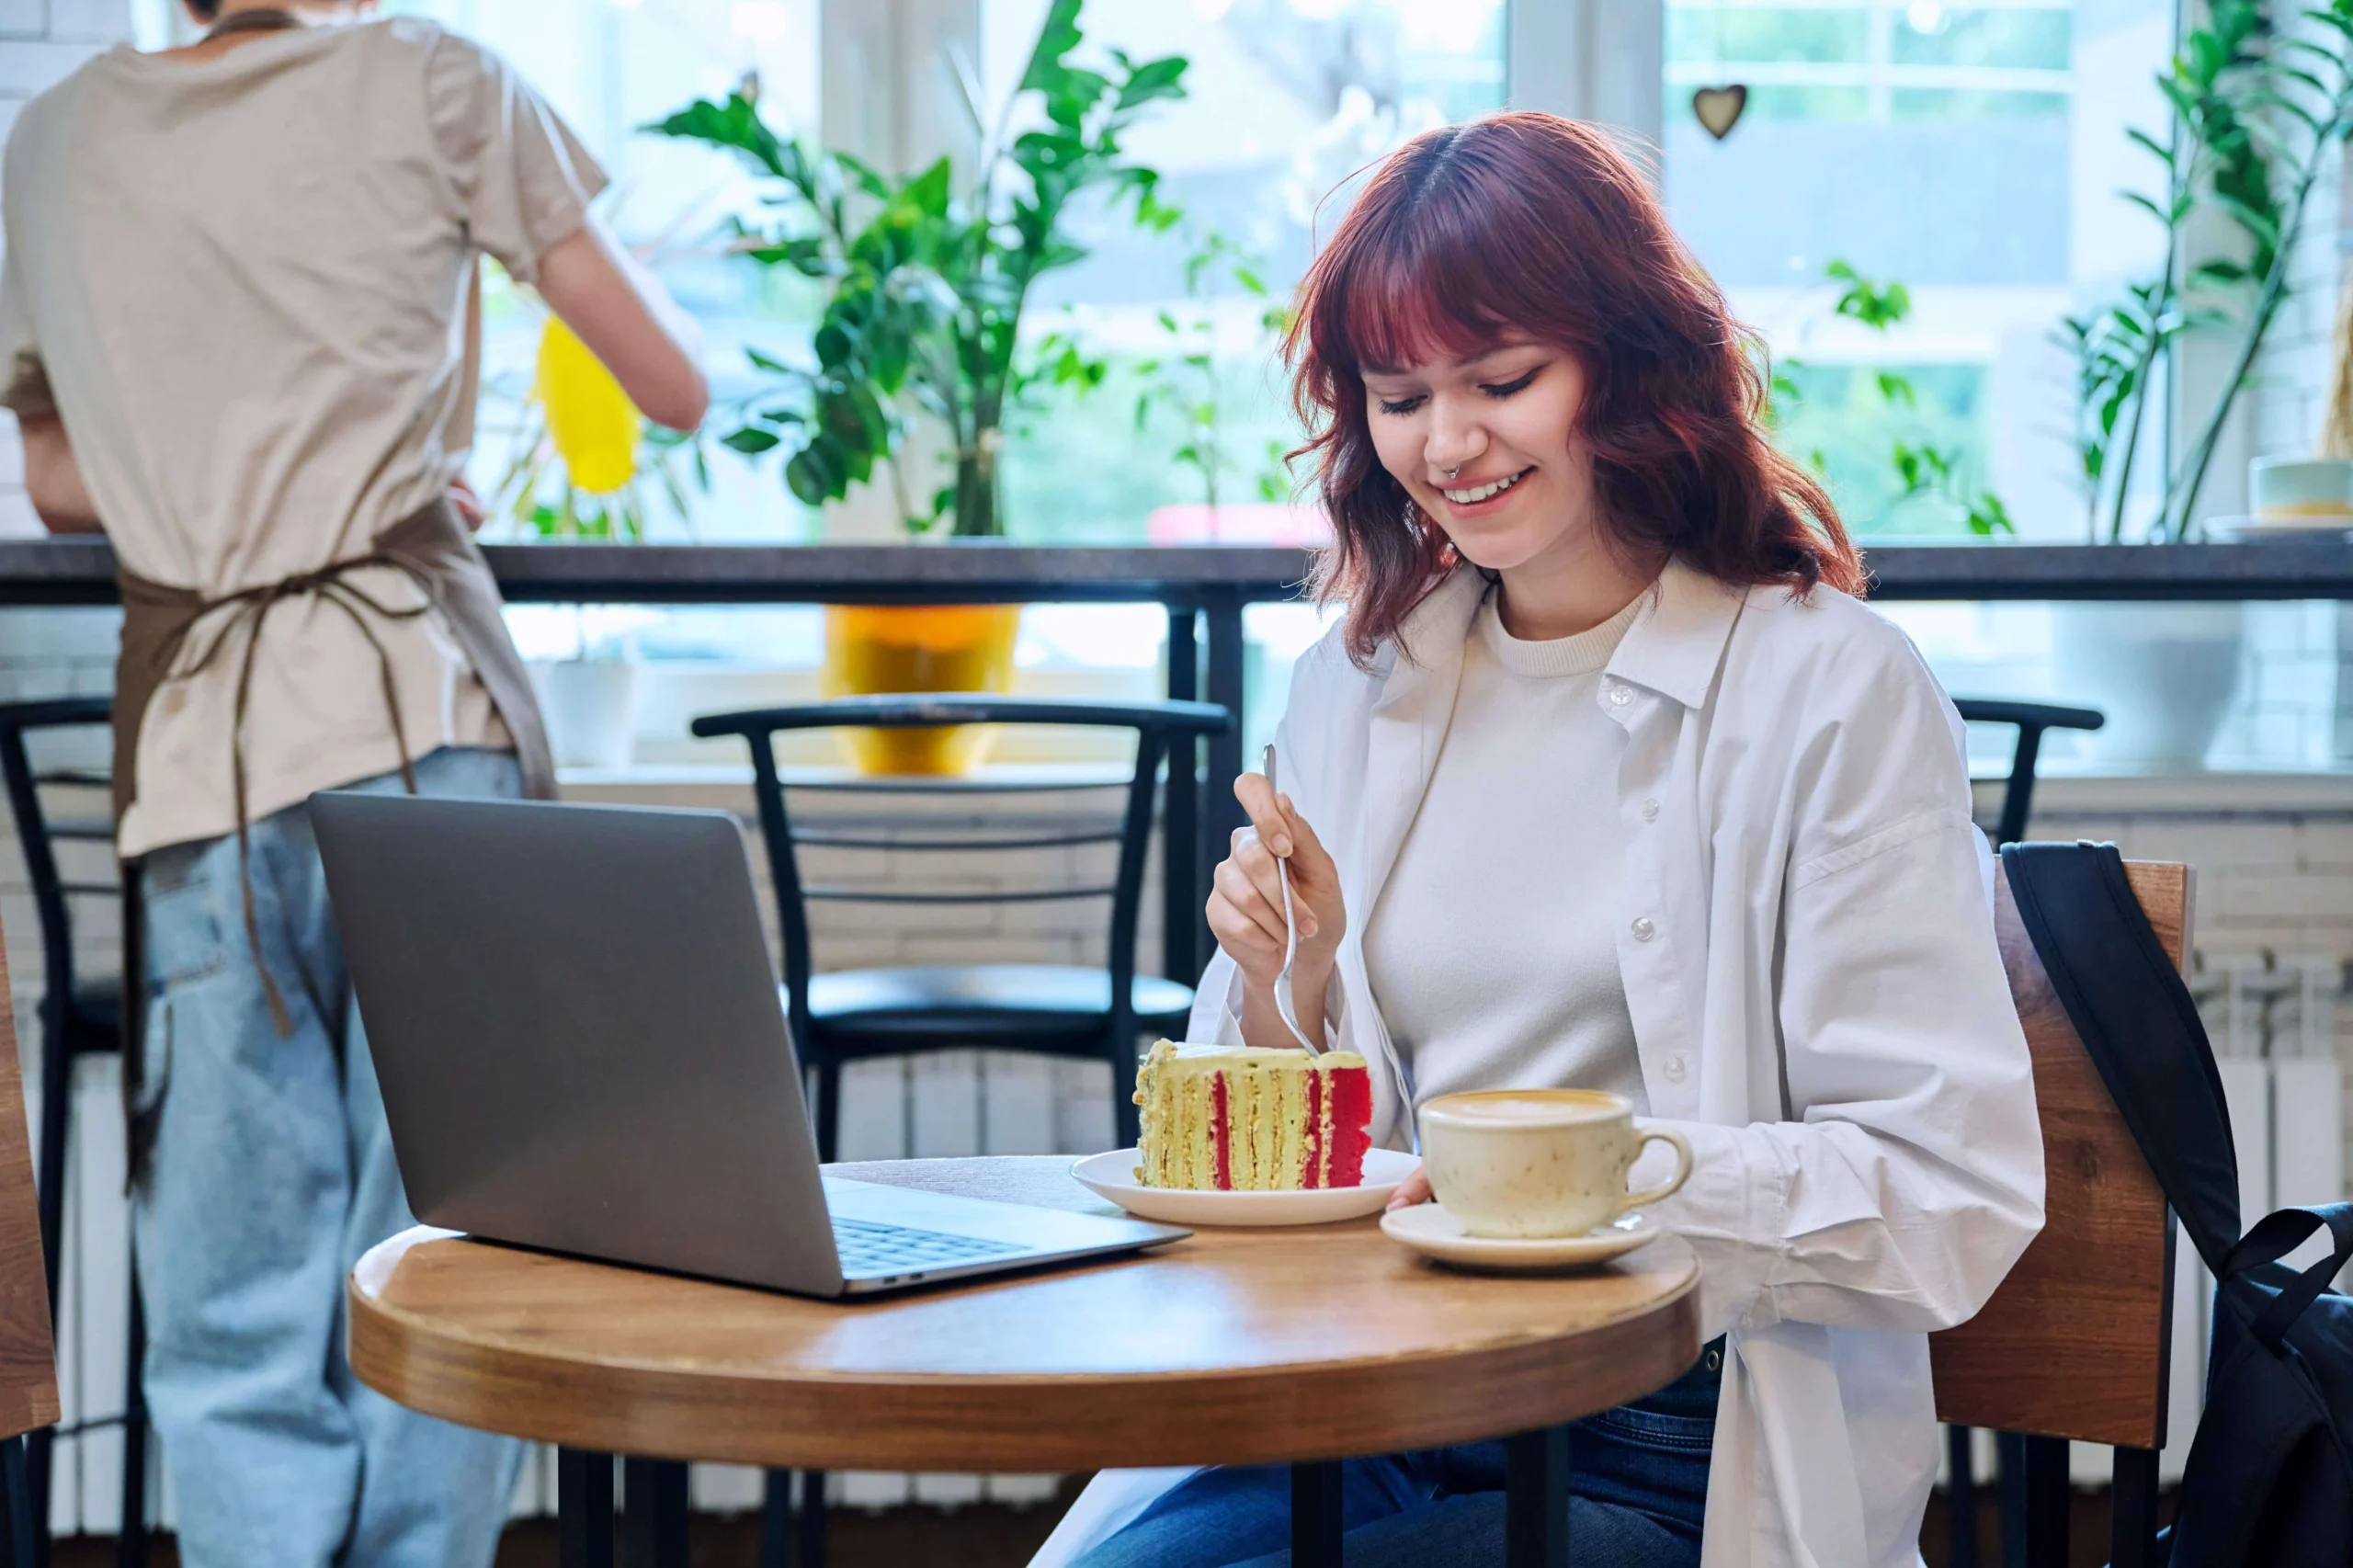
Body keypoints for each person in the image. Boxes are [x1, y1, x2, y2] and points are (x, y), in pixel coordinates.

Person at [1036, 114, 2043, 1568]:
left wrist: (1572, 1182)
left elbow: (1947, 1189)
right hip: (1370, 1387)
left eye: (1504, 380)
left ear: (1630, 367)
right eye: (1398, 396)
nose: (1447, 444)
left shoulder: (1832, 688)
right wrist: (1287, 988)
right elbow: (1290, 1170)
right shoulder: (1355, 682)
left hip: (1672, 1433)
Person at [0, 3, 706, 1563]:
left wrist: (233, 467)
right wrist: (374, 433)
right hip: (418, 732)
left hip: (203, 762)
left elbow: (57, 482)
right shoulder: (439, 77)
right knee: (456, 1249)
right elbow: (671, 384)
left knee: (229, 1287)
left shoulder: (49, 142)